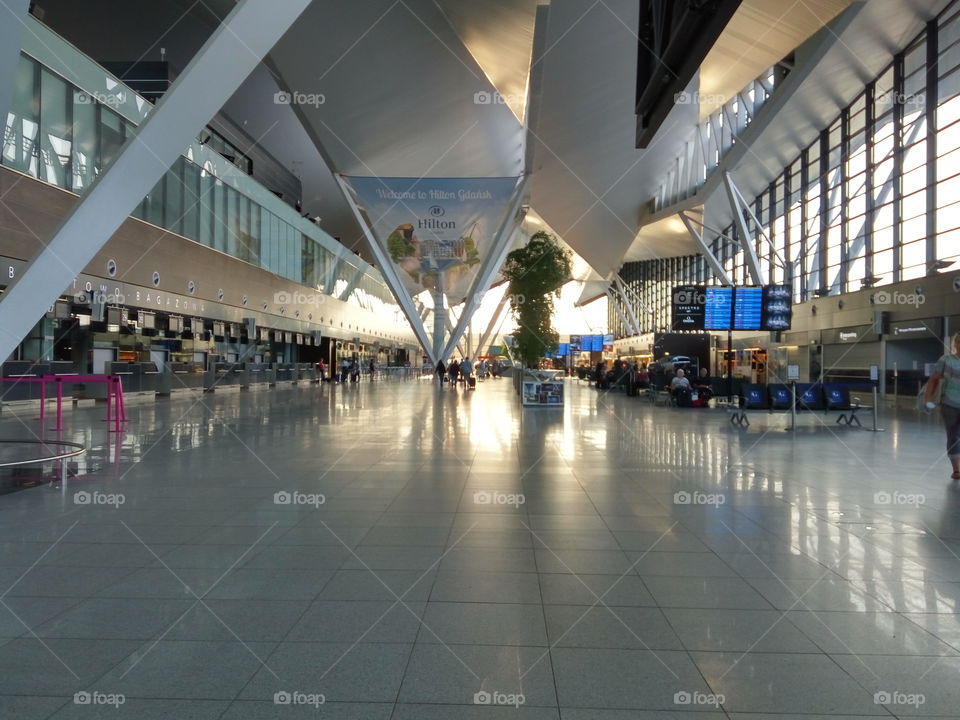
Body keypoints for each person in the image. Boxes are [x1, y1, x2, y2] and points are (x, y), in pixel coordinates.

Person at [925, 331, 960, 480]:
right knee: (953, 435)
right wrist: (928, 399)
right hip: (949, 403)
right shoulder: (946, 360)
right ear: (955, 344)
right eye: (959, 342)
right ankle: (957, 469)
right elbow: (933, 380)